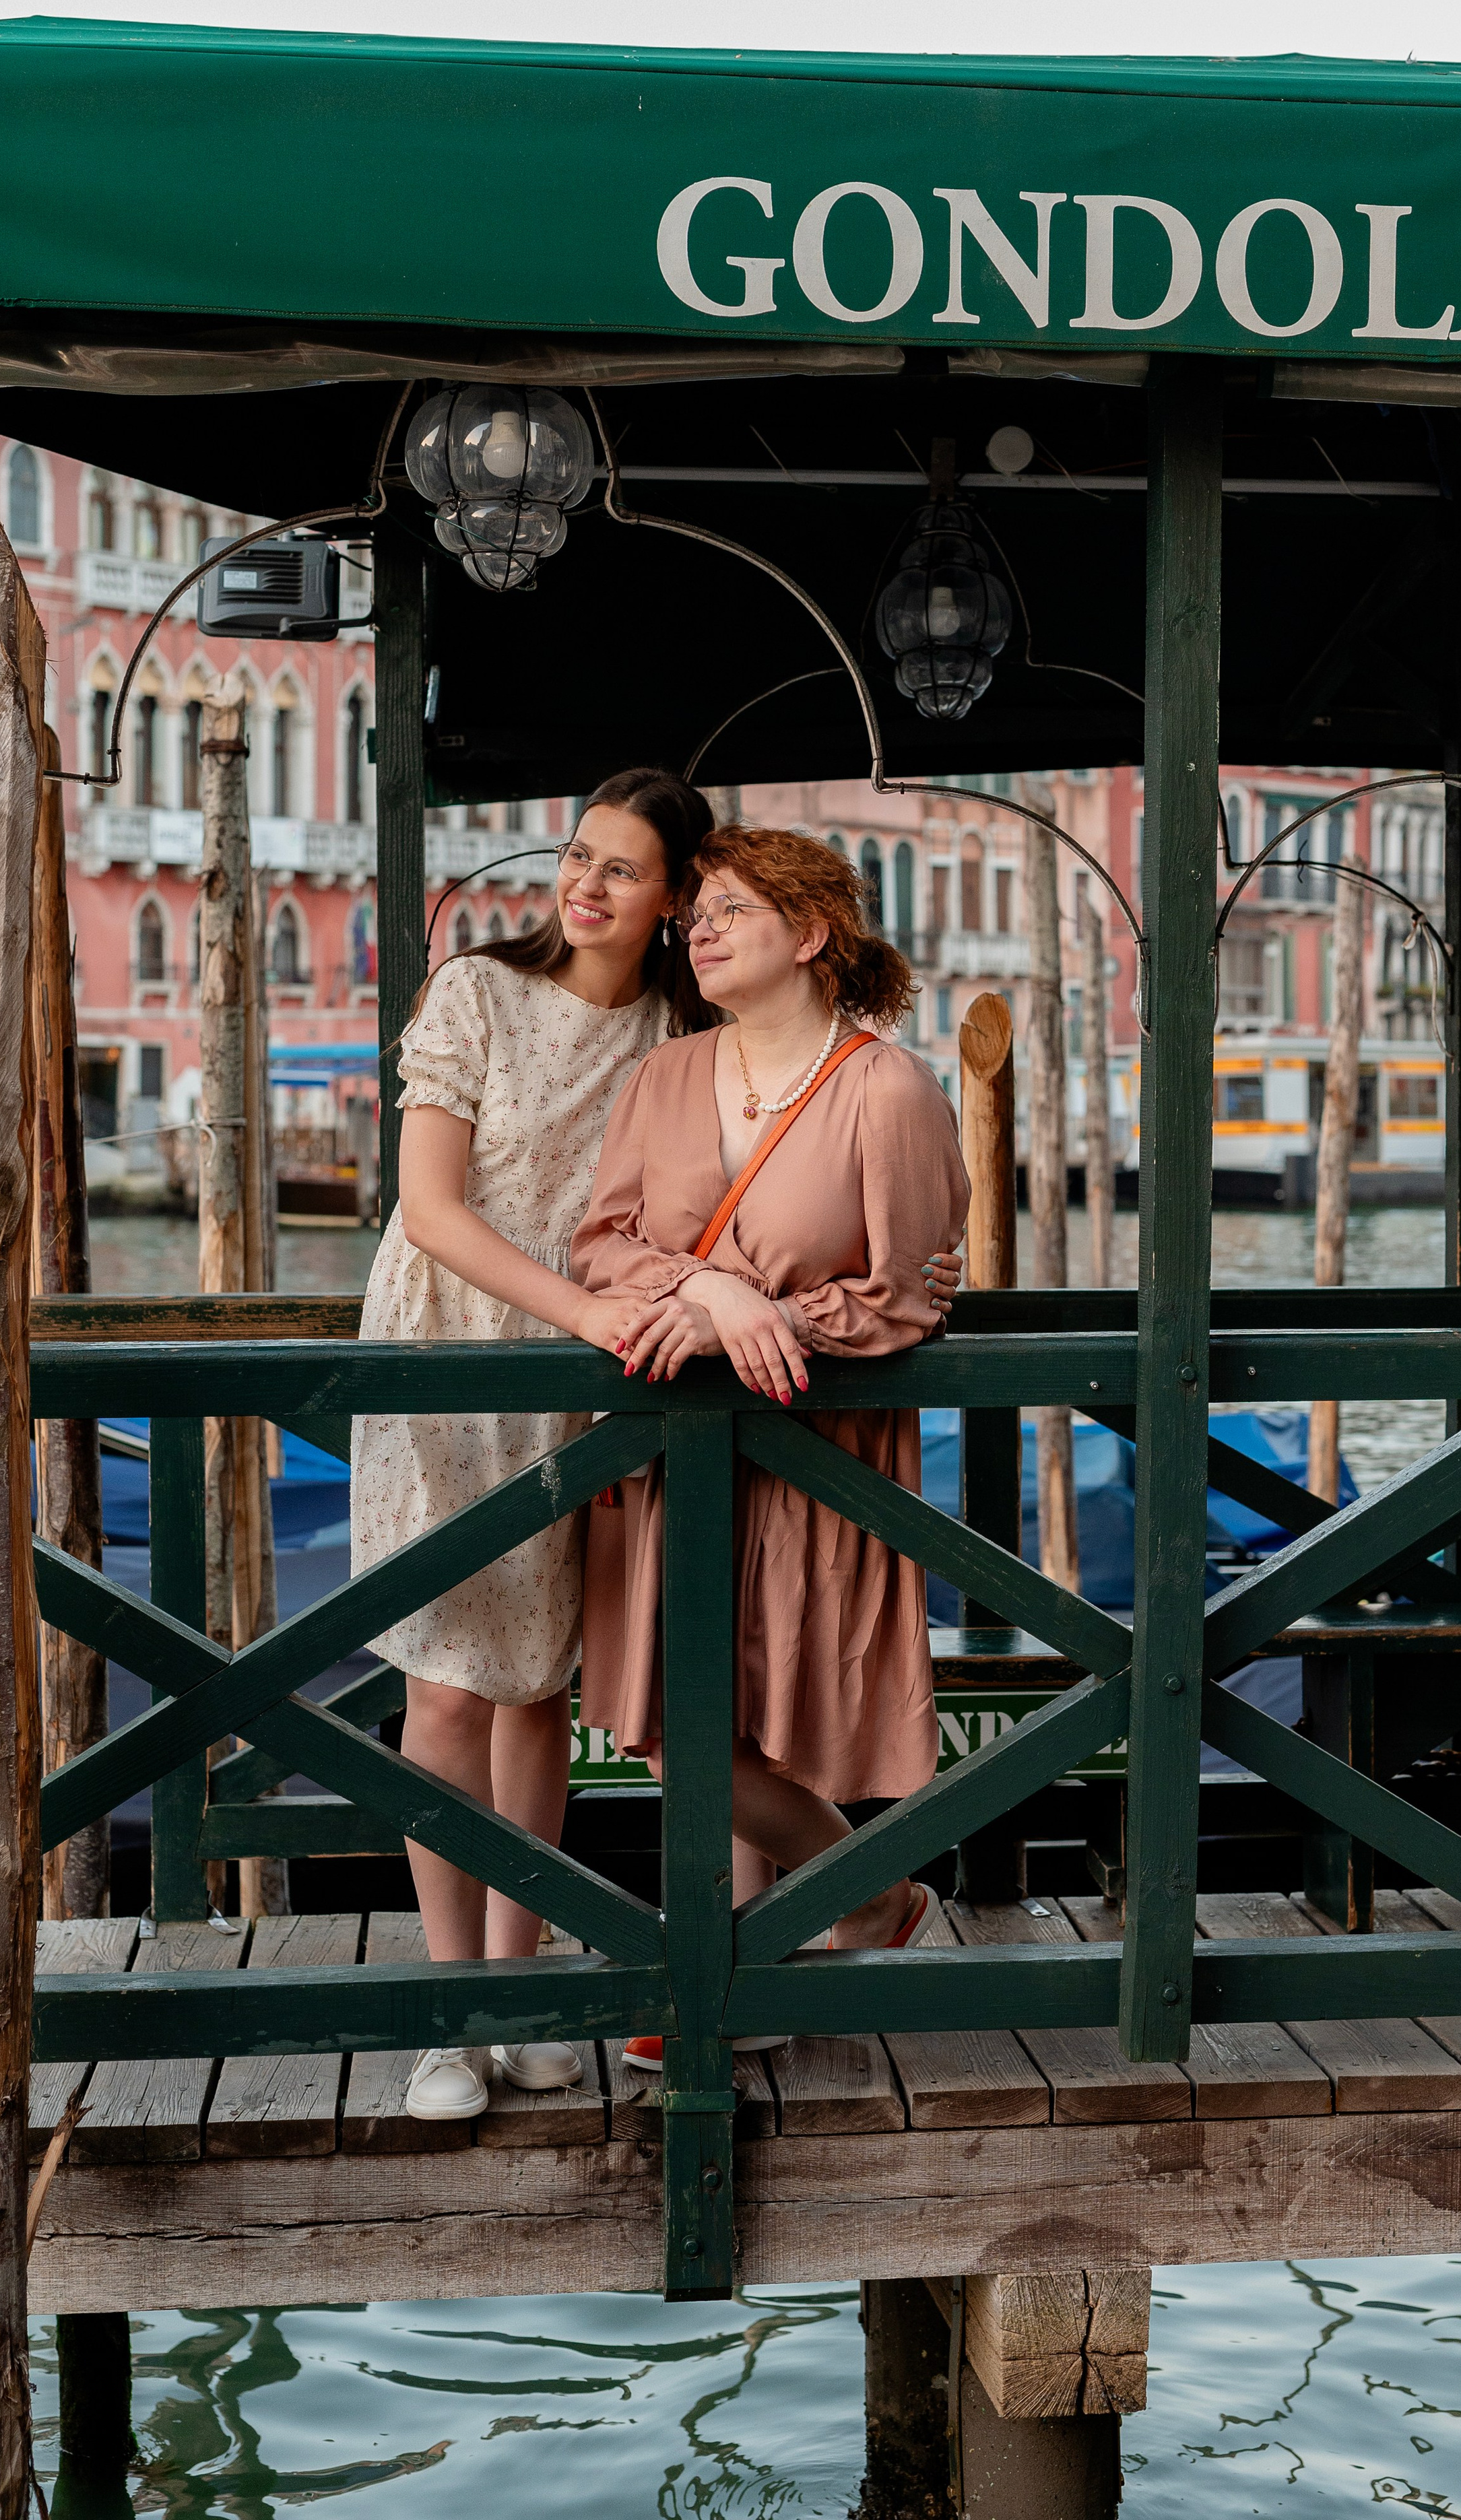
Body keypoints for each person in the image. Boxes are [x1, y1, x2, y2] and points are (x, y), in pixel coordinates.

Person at [351, 780, 961, 2122]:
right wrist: (661, 1300)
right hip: (462, 1356)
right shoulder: (493, 999)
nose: (590, 888)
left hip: (630, 1392)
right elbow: (458, 1212)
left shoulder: (697, 1032)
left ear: (680, 900)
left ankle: (540, 1993)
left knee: (541, 1689)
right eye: (581, 858)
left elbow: (888, 1268)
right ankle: (460, 2012)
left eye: (630, 874)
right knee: (457, 1688)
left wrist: (713, 1307)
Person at [573, 825, 972, 2070]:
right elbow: (601, 1244)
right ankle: (876, 1901)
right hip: (678, 1446)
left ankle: (756, 1955)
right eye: (695, 910)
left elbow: (910, 1291)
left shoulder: (889, 1089)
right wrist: (716, 1295)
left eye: (730, 909)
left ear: (809, 935)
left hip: (817, 1443)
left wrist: (767, 1318)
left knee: (765, 1715)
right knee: (671, 1724)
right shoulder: (666, 1075)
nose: (698, 927)